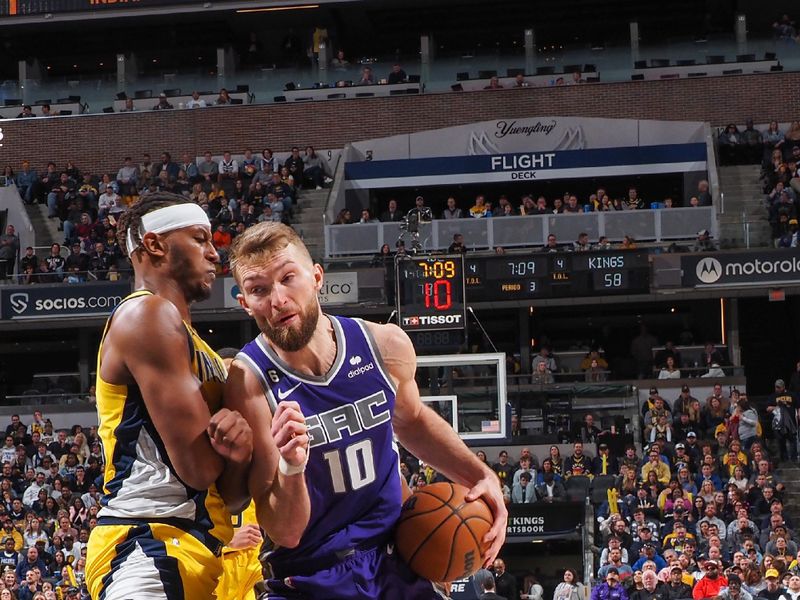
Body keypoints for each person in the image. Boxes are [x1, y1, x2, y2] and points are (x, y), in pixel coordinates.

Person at [226, 222, 507, 599]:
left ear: (316, 277)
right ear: (244, 303)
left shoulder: (383, 345)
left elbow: (412, 420)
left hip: (397, 554)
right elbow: (285, 532)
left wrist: (481, 475)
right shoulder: (248, 382)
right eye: (259, 289)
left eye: (288, 278)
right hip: (313, 573)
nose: (277, 299)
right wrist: (291, 467)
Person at [84, 193, 304, 600]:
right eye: (201, 239)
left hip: (200, 548)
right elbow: (200, 471)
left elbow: (232, 495)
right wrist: (235, 452)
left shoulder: (199, 348)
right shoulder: (146, 315)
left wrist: (238, 457)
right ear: (154, 245)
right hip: (147, 543)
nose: (214, 253)